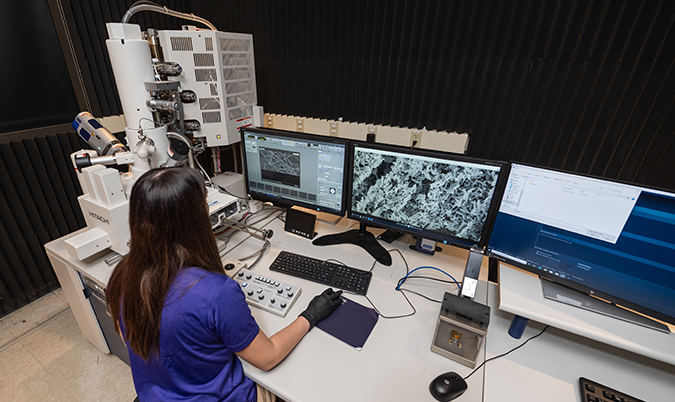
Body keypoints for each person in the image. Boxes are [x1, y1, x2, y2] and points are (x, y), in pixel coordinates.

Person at [106, 167, 343, 402]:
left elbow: (131, 334)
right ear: (196, 217)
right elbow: (267, 357)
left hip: (157, 397)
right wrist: (311, 315)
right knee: (297, 384)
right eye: (205, 202)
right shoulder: (214, 292)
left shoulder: (121, 274)